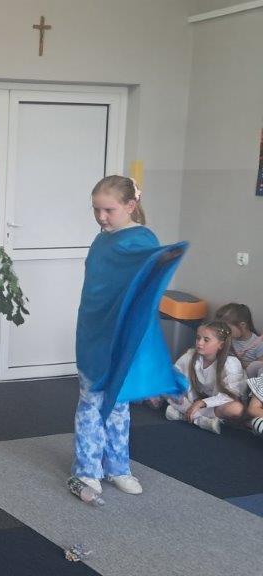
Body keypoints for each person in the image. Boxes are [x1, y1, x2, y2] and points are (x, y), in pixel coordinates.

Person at [72, 175, 188, 496]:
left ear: (131, 205)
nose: (101, 217)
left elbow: (144, 279)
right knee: (91, 400)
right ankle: (87, 470)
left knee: (119, 401)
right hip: (93, 330)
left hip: (121, 331)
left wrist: (163, 259)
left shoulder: (142, 240)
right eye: (96, 209)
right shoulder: (101, 240)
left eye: (108, 210)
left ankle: (118, 467)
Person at [166, 321, 247, 434]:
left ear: (221, 345)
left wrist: (202, 403)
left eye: (206, 340)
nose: (200, 343)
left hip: (213, 404)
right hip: (193, 401)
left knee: (236, 408)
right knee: (168, 388)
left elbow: (232, 394)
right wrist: (179, 392)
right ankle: (199, 420)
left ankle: (183, 414)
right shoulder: (190, 356)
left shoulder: (231, 363)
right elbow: (174, 376)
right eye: (198, 338)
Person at [214, 303, 263, 378]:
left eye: (228, 328)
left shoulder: (259, 344)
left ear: (242, 325)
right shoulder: (228, 338)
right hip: (228, 374)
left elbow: (259, 368)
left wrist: (239, 363)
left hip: (248, 378)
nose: (224, 332)